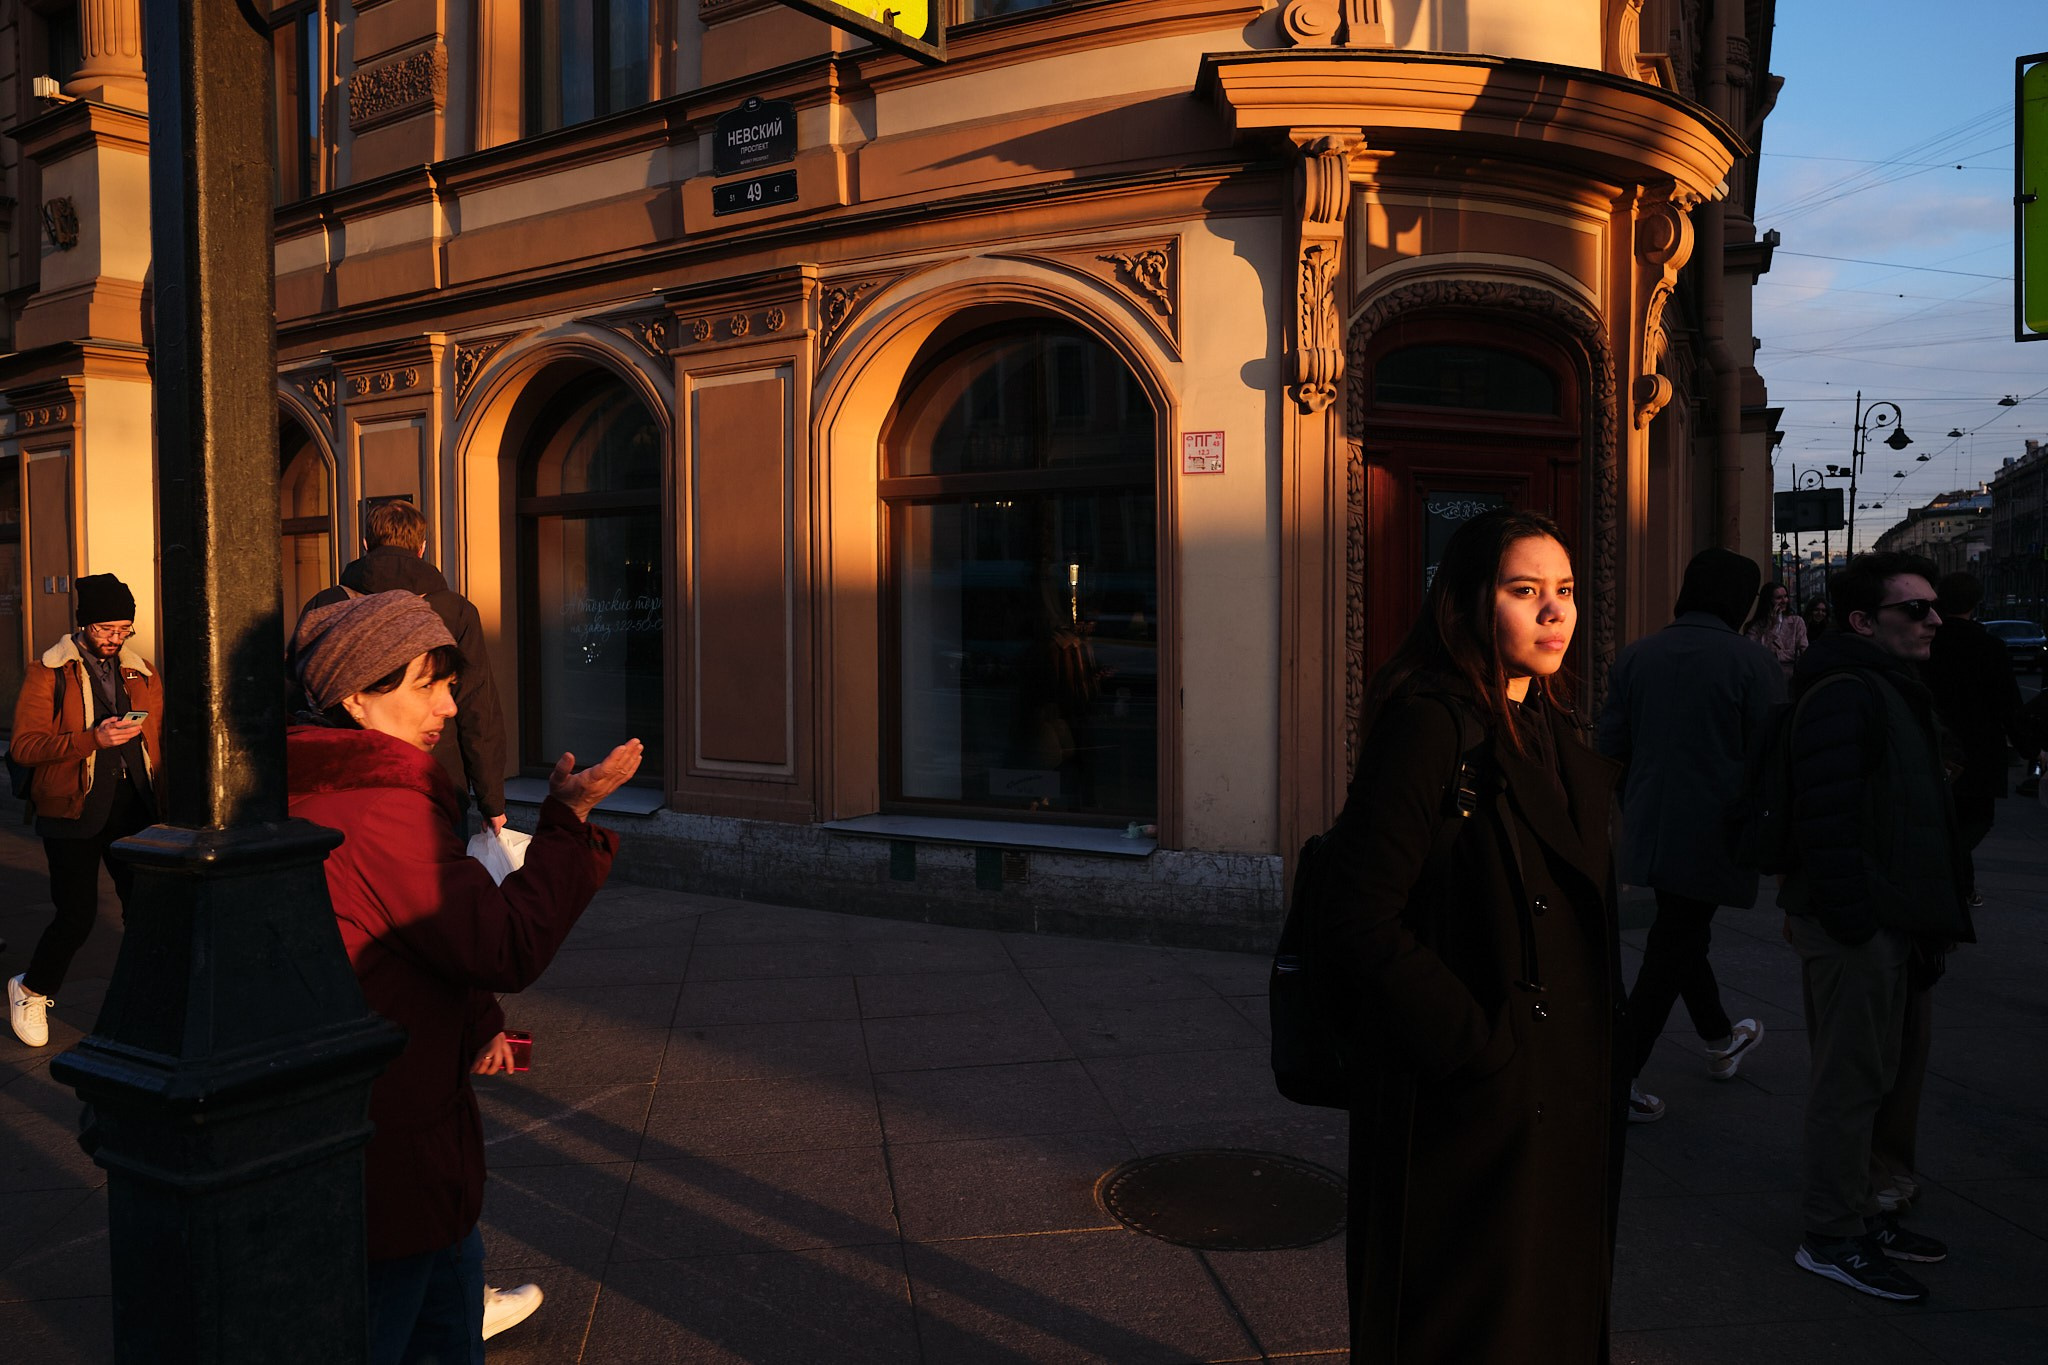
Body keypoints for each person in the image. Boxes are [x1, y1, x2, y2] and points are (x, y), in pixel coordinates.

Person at [286, 590, 641, 1363]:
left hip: (405, 1132)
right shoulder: (378, 804)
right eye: (427, 683)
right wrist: (567, 823)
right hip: (392, 1141)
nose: (450, 703)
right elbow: (499, 942)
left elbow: (416, 936)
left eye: (450, 680)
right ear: (355, 694)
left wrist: (478, 1021)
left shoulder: (347, 783)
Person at [1319, 509, 1623, 1362]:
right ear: (1466, 604)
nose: (1555, 612)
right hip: (1474, 1102)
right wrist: (1477, 1045)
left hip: (1558, 1092)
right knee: (1467, 1328)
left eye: (1562, 591)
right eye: (1525, 591)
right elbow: (1356, 913)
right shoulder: (1430, 726)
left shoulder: (1549, 726)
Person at [1781, 552, 1973, 1303]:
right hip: (1857, 922)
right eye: (1914, 610)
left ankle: (1864, 1212)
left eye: (1932, 607)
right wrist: (1857, 920)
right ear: (1864, 621)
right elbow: (1823, 817)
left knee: (1883, 1073)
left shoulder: (1890, 684)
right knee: (1851, 1079)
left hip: (1896, 917)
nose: (1933, 620)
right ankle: (1830, 1233)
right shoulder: (1845, 691)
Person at [1598, 549, 1781, 1124]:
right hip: (1716, 832)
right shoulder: (1752, 663)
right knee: (1670, 949)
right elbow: (1772, 759)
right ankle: (1616, 1078)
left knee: (1681, 935)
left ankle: (1720, 1037)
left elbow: (1611, 750)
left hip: (1651, 824)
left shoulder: (1637, 655)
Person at [7, 574, 162, 1049]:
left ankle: (148, 1002)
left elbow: (160, 737)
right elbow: (24, 747)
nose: (115, 639)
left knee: (148, 912)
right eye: (105, 629)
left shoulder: (143, 672)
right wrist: (92, 739)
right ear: (83, 625)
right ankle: (30, 989)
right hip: (71, 808)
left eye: (124, 629)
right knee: (76, 915)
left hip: (133, 805)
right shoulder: (47, 672)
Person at [303, 498, 509, 832]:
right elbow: (477, 706)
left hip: (344, 775)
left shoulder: (327, 603)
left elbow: (298, 692)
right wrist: (491, 799)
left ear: (367, 545)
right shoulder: (455, 610)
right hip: (436, 778)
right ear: (422, 548)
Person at [1922, 571, 2021, 908]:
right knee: (1976, 818)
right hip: (1979, 748)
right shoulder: (1989, 646)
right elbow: (2009, 703)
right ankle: (1948, 875)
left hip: (1934, 742)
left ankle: (1963, 886)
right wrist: (2031, 748)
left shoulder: (1928, 641)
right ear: (1975, 603)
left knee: (1946, 817)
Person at [1743, 579, 1808, 681]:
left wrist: (1777, 654)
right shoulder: (1756, 626)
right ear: (1768, 600)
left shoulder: (1796, 622)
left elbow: (1803, 652)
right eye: (1779, 598)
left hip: (1791, 679)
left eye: (1786, 596)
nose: (1784, 601)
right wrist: (1771, 626)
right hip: (1765, 678)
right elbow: (1753, 654)